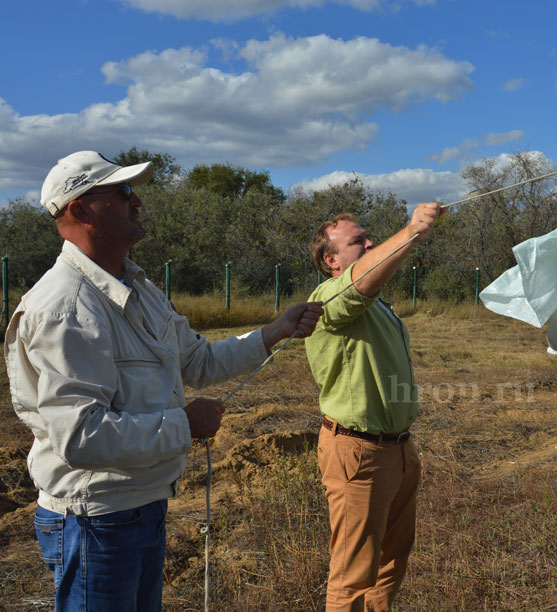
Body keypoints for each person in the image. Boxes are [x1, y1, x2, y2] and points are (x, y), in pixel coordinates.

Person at [4, 150, 324, 612]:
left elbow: (197, 360)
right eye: (122, 191)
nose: (137, 201)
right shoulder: (66, 308)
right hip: (95, 521)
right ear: (80, 210)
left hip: (141, 508)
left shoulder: (139, 288)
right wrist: (185, 424)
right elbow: (80, 436)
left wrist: (274, 331)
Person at [304, 203, 443, 612]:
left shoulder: (375, 303)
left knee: (392, 560)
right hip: (358, 453)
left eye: (369, 237)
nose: (369, 243)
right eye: (357, 241)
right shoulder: (329, 296)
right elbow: (359, 283)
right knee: (353, 575)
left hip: (398, 449)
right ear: (331, 260)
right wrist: (412, 231)